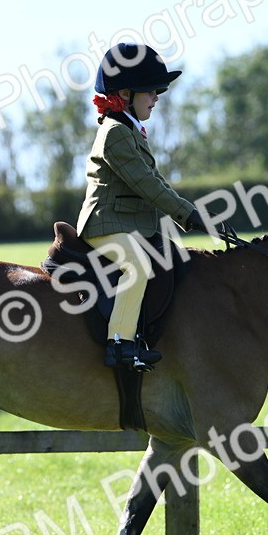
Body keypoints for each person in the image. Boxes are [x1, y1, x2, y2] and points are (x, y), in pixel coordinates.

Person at [76, 43, 212, 372]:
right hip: (105, 224)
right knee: (136, 266)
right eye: (150, 91)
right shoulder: (115, 134)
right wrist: (187, 214)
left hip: (127, 224)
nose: (156, 97)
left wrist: (192, 213)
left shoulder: (131, 132)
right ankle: (119, 345)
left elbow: (157, 180)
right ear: (124, 93)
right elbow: (147, 186)